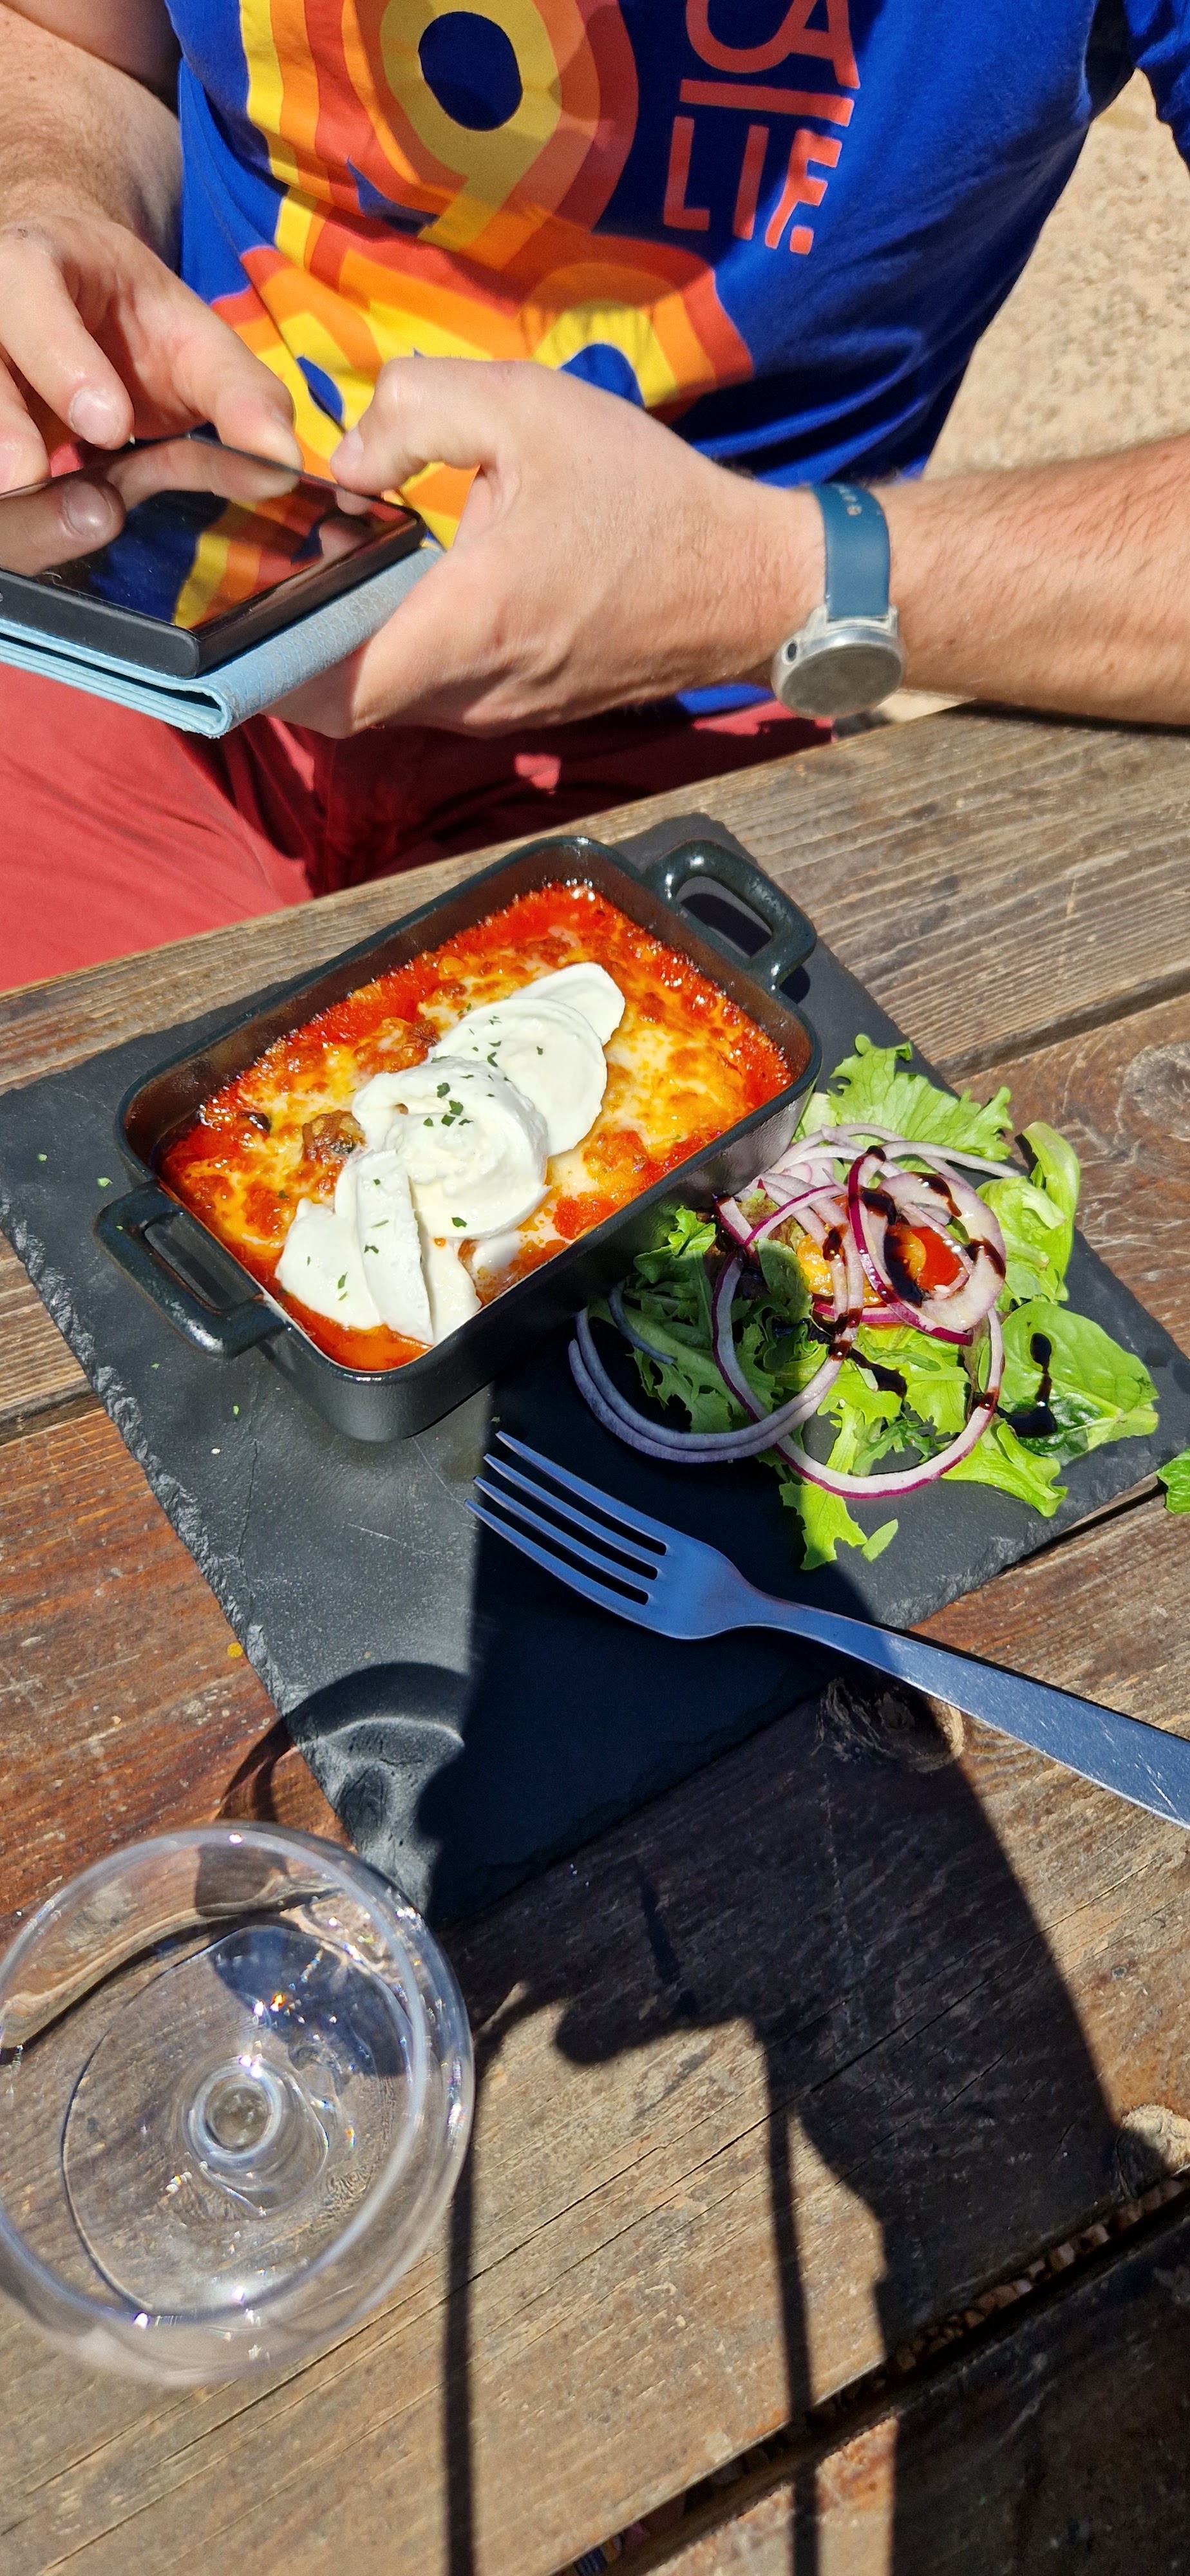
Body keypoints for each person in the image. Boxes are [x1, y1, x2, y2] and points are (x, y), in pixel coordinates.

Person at [0, 0, 1184, 985]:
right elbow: (75, 39)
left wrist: (778, 577)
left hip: (667, 730)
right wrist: (48, 197)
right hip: (134, 599)